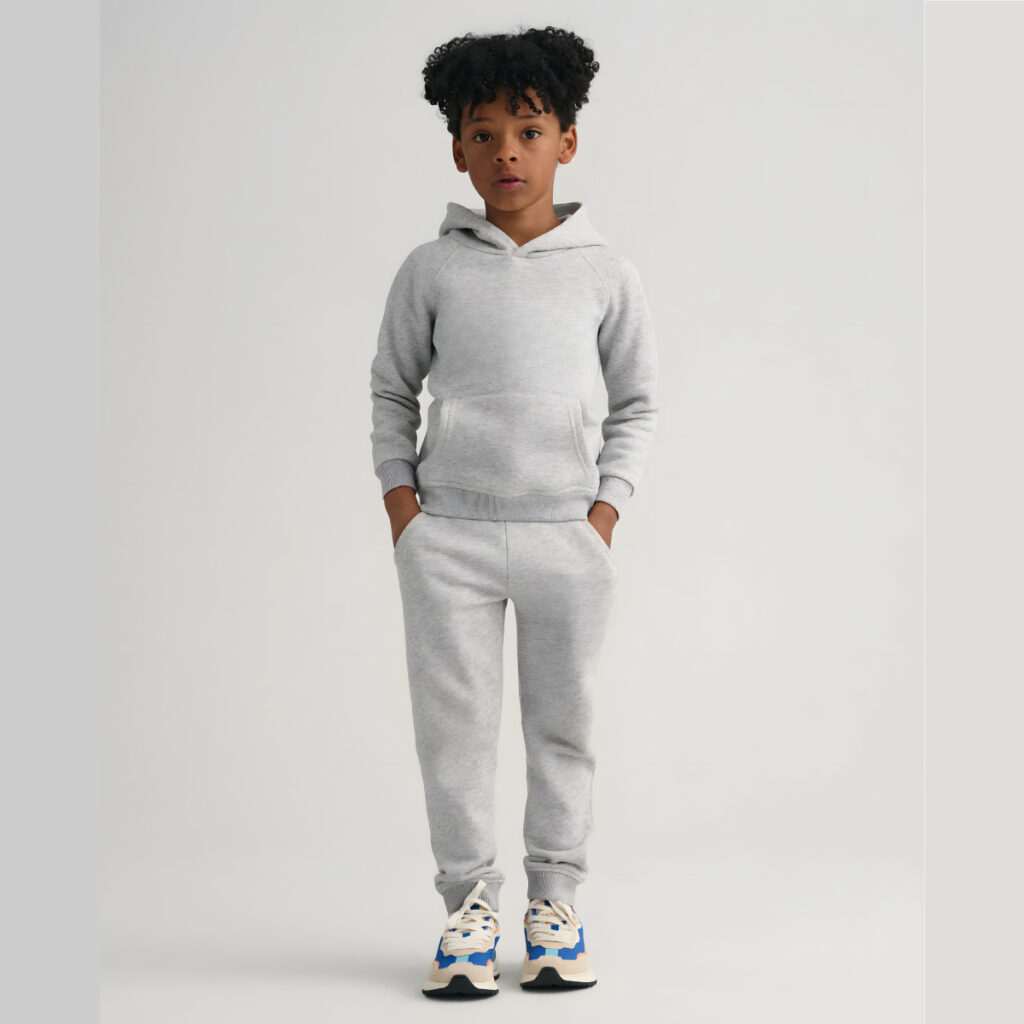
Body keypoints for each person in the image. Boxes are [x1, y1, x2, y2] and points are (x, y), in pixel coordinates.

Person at [368, 26, 658, 998]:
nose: (506, 153)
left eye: (529, 131)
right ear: (457, 149)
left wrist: (602, 514)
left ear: (566, 141)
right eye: (483, 133)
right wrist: (405, 509)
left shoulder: (606, 274)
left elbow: (638, 404)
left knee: (563, 727)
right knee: (452, 735)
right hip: (447, 538)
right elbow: (391, 390)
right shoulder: (431, 269)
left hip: (565, 537)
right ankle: (467, 911)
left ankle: (555, 907)